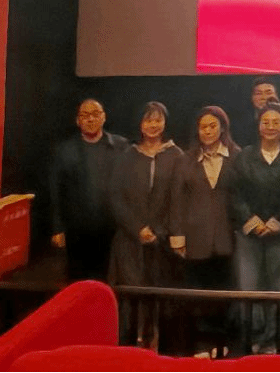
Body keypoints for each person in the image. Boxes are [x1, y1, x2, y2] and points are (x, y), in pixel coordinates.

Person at [108, 101, 183, 347]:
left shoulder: (176, 155)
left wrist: (160, 231)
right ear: (140, 124)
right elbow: (115, 197)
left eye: (158, 119)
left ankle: (158, 352)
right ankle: (126, 350)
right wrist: (138, 228)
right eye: (148, 120)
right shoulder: (127, 155)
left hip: (162, 241)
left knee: (160, 297)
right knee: (129, 297)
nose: (153, 125)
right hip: (129, 240)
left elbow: (178, 199)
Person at [231, 101, 280, 355]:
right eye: (265, 122)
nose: (270, 127)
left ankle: (271, 342)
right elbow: (235, 193)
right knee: (249, 288)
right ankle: (250, 341)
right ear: (258, 125)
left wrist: (278, 220)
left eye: (276, 122)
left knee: (276, 289)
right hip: (249, 233)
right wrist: (251, 220)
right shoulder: (244, 155)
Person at [170, 106, 241, 357]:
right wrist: (177, 235)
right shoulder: (185, 159)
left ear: (222, 128)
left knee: (225, 295)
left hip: (227, 238)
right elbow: (176, 200)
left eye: (213, 126)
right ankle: (202, 345)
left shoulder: (237, 156)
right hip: (195, 237)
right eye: (203, 127)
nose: (208, 131)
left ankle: (222, 345)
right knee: (198, 295)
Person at [50, 98, 127, 281]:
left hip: (114, 231)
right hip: (76, 232)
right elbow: (56, 191)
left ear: (104, 117)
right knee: (78, 282)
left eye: (95, 114)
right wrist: (57, 228)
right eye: (85, 115)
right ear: (78, 120)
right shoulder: (65, 150)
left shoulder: (121, 146)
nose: (90, 119)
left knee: (110, 281)